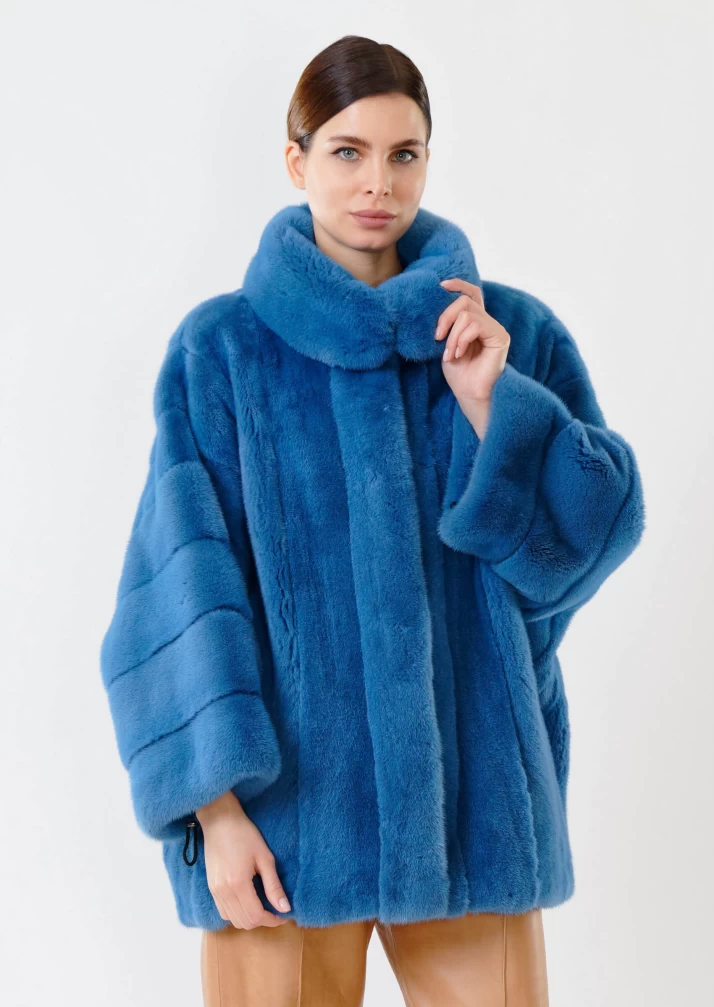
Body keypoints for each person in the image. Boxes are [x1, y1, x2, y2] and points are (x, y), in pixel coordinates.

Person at [100, 34, 646, 1007]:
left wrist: (494, 404)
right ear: (296, 159)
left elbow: (588, 544)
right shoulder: (223, 351)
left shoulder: (505, 332)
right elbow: (178, 582)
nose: (377, 183)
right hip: (288, 830)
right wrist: (214, 811)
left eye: (404, 153)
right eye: (348, 151)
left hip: (474, 818)